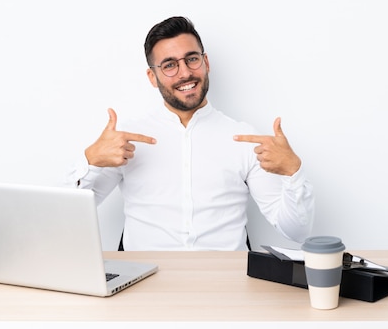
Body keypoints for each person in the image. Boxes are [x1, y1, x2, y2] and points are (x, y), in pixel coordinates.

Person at [66, 16, 314, 251]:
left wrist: (293, 172)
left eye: (191, 59)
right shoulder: (126, 139)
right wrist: (90, 161)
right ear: (152, 77)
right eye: (170, 65)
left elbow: (296, 232)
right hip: (144, 283)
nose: (185, 73)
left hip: (227, 284)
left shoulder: (244, 138)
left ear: (205, 63)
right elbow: (68, 216)